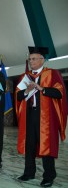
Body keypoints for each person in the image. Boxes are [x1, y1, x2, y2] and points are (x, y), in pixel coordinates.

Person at [15, 46, 67, 187]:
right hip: (29, 115)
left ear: (42, 60)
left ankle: (49, 176)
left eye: (33, 59)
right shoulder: (24, 77)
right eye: (30, 59)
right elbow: (18, 96)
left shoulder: (52, 73)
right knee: (30, 145)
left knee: (47, 147)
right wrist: (27, 90)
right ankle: (29, 173)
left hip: (46, 117)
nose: (31, 61)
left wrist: (42, 88)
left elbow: (59, 93)